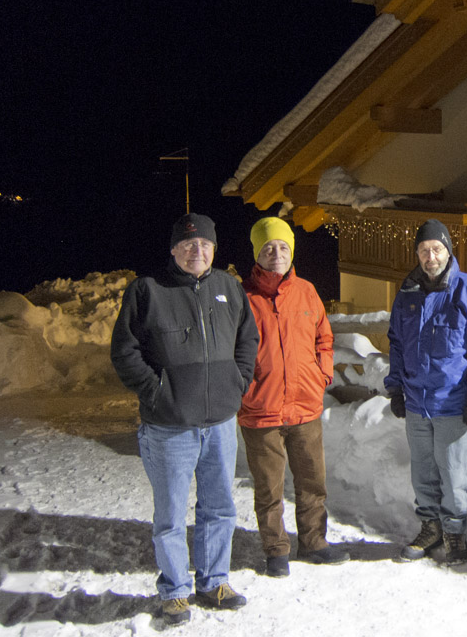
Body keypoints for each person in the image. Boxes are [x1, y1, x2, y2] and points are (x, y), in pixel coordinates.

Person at [111, 213, 258, 626]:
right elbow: (125, 352)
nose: (198, 252)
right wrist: (157, 392)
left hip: (220, 424)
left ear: (214, 249)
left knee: (220, 506)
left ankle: (214, 581)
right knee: (171, 514)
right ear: (174, 249)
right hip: (169, 427)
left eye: (205, 245)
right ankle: (175, 591)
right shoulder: (147, 291)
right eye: (189, 245)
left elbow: (248, 339)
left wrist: (238, 382)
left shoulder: (228, 287)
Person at [384, 219, 467, 565]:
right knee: (423, 472)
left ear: (448, 251)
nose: (430, 256)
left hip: (452, 402)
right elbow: (396, 343)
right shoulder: (407, 293)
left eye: (436, 249)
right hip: (417, 402)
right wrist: (396, 388)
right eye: (424, 250)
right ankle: (430, 527)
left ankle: (454, 533)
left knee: (454, 473)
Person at [239, 217, 350, 577]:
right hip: (261, 410)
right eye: (268, 248)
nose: (277, 254)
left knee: (312, 482)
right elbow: (231, 351)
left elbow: (324, 338)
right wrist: (246, 386)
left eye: (283, 247)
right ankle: (276, 551)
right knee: (269, 488)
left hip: (305, 406)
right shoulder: (244, 299)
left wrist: (321, 375)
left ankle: (314, 543)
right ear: (257, 253)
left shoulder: (306, 292)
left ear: (292, 251)